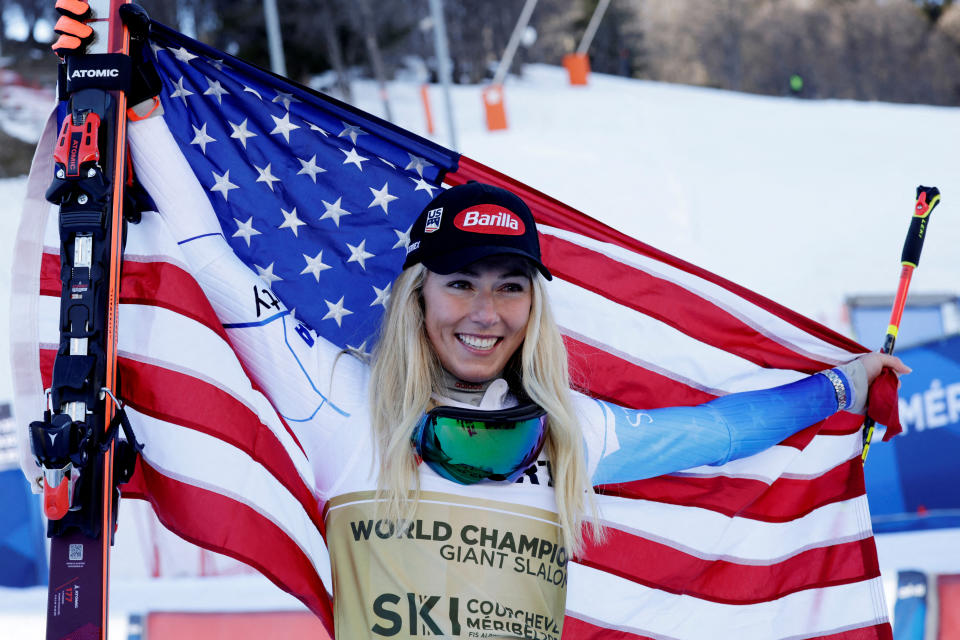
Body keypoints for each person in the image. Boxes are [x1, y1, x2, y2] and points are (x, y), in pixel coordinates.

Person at [127, 115, 907, 639]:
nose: (485, 311)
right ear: (417, 292)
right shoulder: (338, 401)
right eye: (460, 282)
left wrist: (842, 386)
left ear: (534, 303)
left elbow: (717, 434)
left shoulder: (570, 432)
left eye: (510, 285)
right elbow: (210, 259)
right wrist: (144, 117)